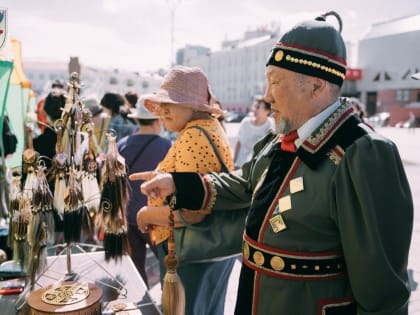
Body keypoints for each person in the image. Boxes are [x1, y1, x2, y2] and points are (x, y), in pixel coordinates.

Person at [131, 11, 414, 315]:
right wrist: (178, 183)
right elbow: (245, 184)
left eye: (275, 82)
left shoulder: (362, 154)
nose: (266, 96)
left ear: (316, 87)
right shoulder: (281, 139)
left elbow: (382, 295)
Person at [133, 65, 236, 315]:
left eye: (172, 102)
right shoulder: (209, 127)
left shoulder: (193, 136)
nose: (164, 109)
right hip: (210, 252)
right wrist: (162, 175)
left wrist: (145, 215)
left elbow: (191, 212)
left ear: (194, 106)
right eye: (162, 102)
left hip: (193, 253)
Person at [117, 96, 171, 289]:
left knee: (136, 273)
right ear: (158, 121)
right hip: (156, 219)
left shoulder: (122, 144)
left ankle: (141, 307)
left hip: (129, 217)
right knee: (169, 268)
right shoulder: (166, 146)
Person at [233, 95, 274, 168]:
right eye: (254, 106)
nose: (254, 109)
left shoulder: (271, 125)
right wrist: (233, 161)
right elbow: (238, 142)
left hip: (257, 168)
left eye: (258, 107)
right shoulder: (245, 123)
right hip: (240, 164)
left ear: (267, 111)